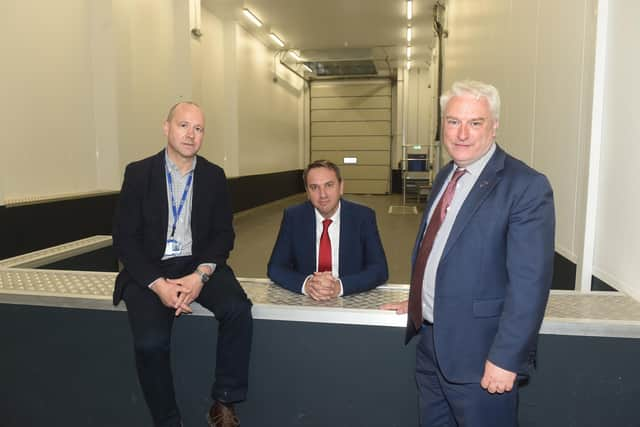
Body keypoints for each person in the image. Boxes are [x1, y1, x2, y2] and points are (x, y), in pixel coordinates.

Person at [382, 80, 555, 426]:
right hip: (431, 348)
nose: (461, 133)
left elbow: (529, 285)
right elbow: (440, 249)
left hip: (482, 359)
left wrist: (506, 358)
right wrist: (420, 298)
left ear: (494, 127)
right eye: (452, 121)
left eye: (474, 123)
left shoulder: (525, 186)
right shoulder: (447, 175)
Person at [112, 102, 252, 427]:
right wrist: (158, 285)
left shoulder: (214, 176)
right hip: (149, 268)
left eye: (198, 129)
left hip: (197, 264)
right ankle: (168, 419)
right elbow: (125, 239)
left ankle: (224, 401)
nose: (191, 135)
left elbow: (223, 235)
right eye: (184, 126)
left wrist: (201, 275)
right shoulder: (138, 174)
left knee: (238, 310)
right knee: (150, 343)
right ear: (167, 127)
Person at [267, 160, 388, 301]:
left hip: (349, 298)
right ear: (307, 192)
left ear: (341, 187)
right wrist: (307, 284)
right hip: (308, 300)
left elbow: (379, 269)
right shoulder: (294, 217)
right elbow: (275, 267)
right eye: (314, 187)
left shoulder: (363, 217)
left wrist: (339, 287)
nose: (322, 194)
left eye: (329, 185)